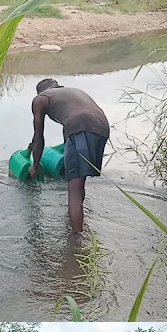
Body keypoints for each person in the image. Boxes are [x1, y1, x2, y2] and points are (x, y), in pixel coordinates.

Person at [29, 79, 111, 233]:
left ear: (40, 91)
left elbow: (38, 137)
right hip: (101, 127)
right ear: (57, 86)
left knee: (73, 188)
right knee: (79, 182)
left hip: (79, 126)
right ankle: (78, 224)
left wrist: (35, 166)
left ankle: (77, 242)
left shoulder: (41, 99)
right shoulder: (70, 93)